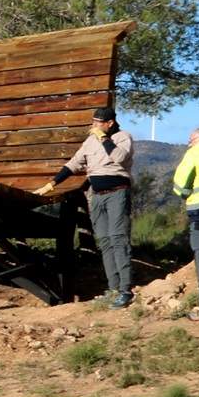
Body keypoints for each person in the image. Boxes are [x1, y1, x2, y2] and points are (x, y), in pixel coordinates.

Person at [34, 106, 135, 307]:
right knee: (105, 241)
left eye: (98, 122)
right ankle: (112, 288)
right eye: (93, 122)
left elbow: (120, 158)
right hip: (97, 195)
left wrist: (104, 138)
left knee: (118, 238)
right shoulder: (90, 141)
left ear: (110, 123)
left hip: (117, 191)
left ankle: (126, 289)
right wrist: (51, 184)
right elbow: (74, 164)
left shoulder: (123, 137)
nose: (94, 125)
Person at [172, 127, 199, 322]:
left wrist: (186, 193)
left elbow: (179, 185)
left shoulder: (194, 152)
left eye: (190, 139)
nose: (188, 143)